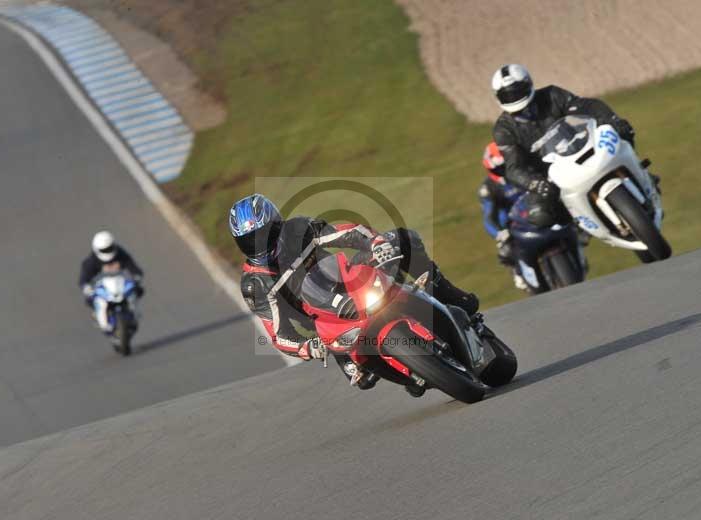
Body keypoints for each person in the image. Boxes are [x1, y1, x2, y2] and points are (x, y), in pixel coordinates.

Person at [230, 194, 479, 396]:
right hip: (326, 322)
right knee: (362, 378)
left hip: (349, 281)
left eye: (264, 234)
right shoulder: (255, 284)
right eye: (250, 241)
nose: (260, 245)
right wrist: (307, 347)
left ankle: (449, 296)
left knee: (403, 239)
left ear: (277, 223)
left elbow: (348, 233)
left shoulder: (298, 229)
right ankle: (411, 371)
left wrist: (376, 243)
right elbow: (277, 334)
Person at [490, 63, 644, 228]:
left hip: (581, 146)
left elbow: (587, 106)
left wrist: (612, 120)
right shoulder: (503, 129)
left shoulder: (552, 95)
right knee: (541, 216)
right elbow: (514, 168)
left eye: (517, 92)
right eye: (508, 96)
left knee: (623, 132)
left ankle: (640, 173)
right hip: (551, 174)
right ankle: (579, 225)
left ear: (528, 84)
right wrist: (534, 183)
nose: (514, 98)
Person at [478, 141, 527, 290]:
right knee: (506, 249)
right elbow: (489, 217)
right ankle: (518, 269)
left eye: (507, 165)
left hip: (539, 213)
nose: (505, 171)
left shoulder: (527, 170)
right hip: (513, 225)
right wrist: (500, 233)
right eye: (500, 168)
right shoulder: (489, 188)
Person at [78, 231, 144, 332]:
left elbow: (131, 265)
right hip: (103, 287)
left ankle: (133, 314)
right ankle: (99, 316)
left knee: (137, 291)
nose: (108, 251)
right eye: (104, 250)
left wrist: (137, 275)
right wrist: (86, 286)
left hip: (120, 283)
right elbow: (84, 277)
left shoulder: (120, 253)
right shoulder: (92, 261)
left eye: (109, 248)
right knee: (91, 299)